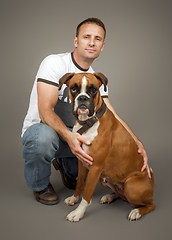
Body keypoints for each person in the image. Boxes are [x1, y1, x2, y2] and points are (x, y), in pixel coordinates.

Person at [22, 18, 150, 205]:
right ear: (76, 41)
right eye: (86, 37)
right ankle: (40, 186)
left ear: (102, 46)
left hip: (76, 137)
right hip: (45, 132)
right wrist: (70, 138)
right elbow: (45, 111)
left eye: (97, 39)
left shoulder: (95, 80)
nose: (92, 42)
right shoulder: (54, 63)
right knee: (43, 138)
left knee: (80, 172)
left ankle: (66, 164)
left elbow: (112, 116)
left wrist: (139, 144)